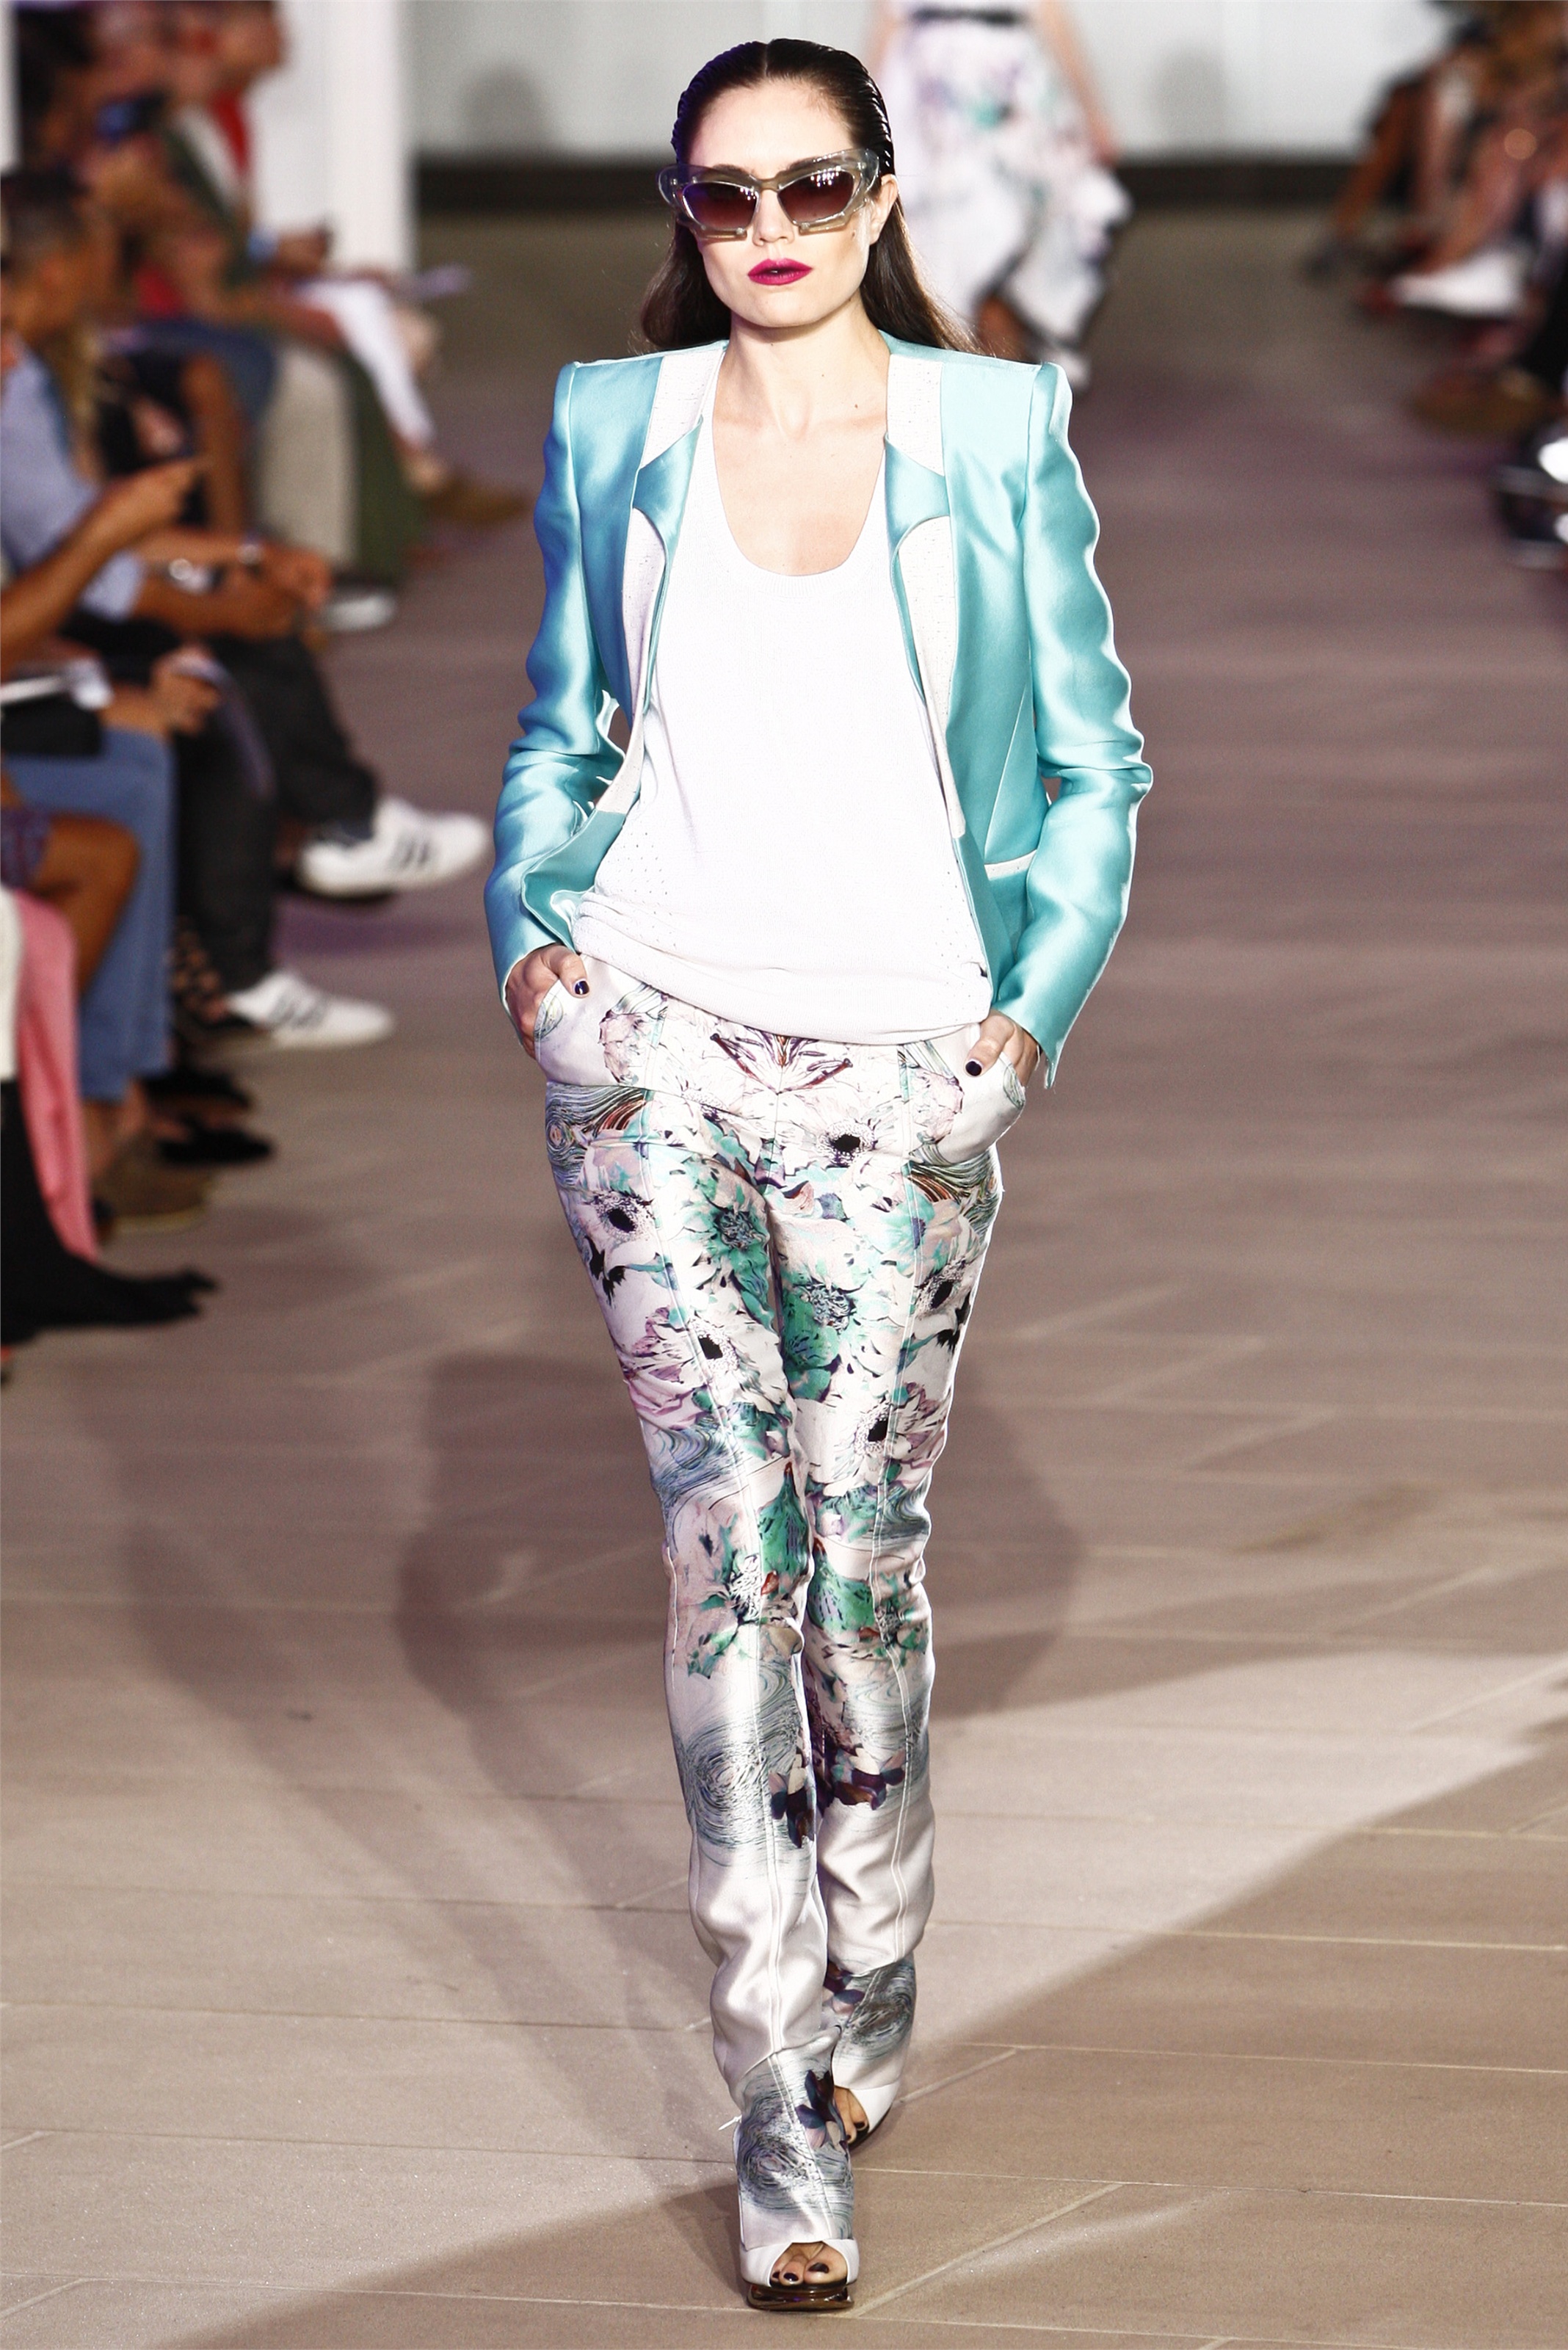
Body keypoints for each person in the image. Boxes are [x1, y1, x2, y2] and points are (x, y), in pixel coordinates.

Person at [486, 37, 1150, 2311]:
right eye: (725, 192)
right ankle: (771, 2082)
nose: (768, 228)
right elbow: (562, 719)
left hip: (900, 1057)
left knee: (857, 1552)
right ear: (681, 210)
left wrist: (1019, 1018)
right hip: (649, 1043)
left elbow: (1095, 762)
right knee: (722, 1542)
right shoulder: (616, 423)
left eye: (811, 184)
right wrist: (536, 947)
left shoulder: (992, 430)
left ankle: (873, 1955)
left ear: (877, 197)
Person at [869, 0, 1128, 373]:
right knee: (955, 250)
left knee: (1010, 252)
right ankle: (974, 377)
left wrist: (1091, 112)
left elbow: (1050, 12)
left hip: (1008, 94)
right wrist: (862, 115)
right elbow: (888, 16)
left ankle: (1000, 382)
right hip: (929, 102)